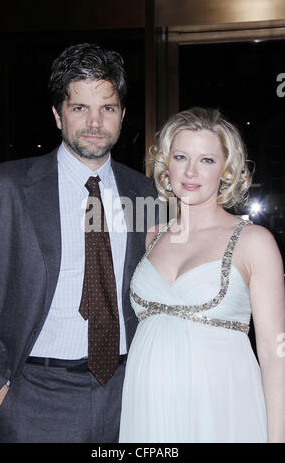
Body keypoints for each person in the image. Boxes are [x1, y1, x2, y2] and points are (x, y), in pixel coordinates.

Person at [0, 42, 159, 443]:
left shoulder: (146, 194)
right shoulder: (4, 190)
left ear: (122, 115)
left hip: (126, 392)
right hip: (32, 397)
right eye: (80, 108)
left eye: (108, 108)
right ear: (57, 115)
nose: (95, 122)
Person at [119, 107, 285, 443]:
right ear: (167, 164)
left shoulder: (254, 242)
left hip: (222, 410)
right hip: (147, 409)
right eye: (181, 156)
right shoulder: (150, 237)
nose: (191, 171)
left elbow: (274, 354)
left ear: (226, 169)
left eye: (207, 160)